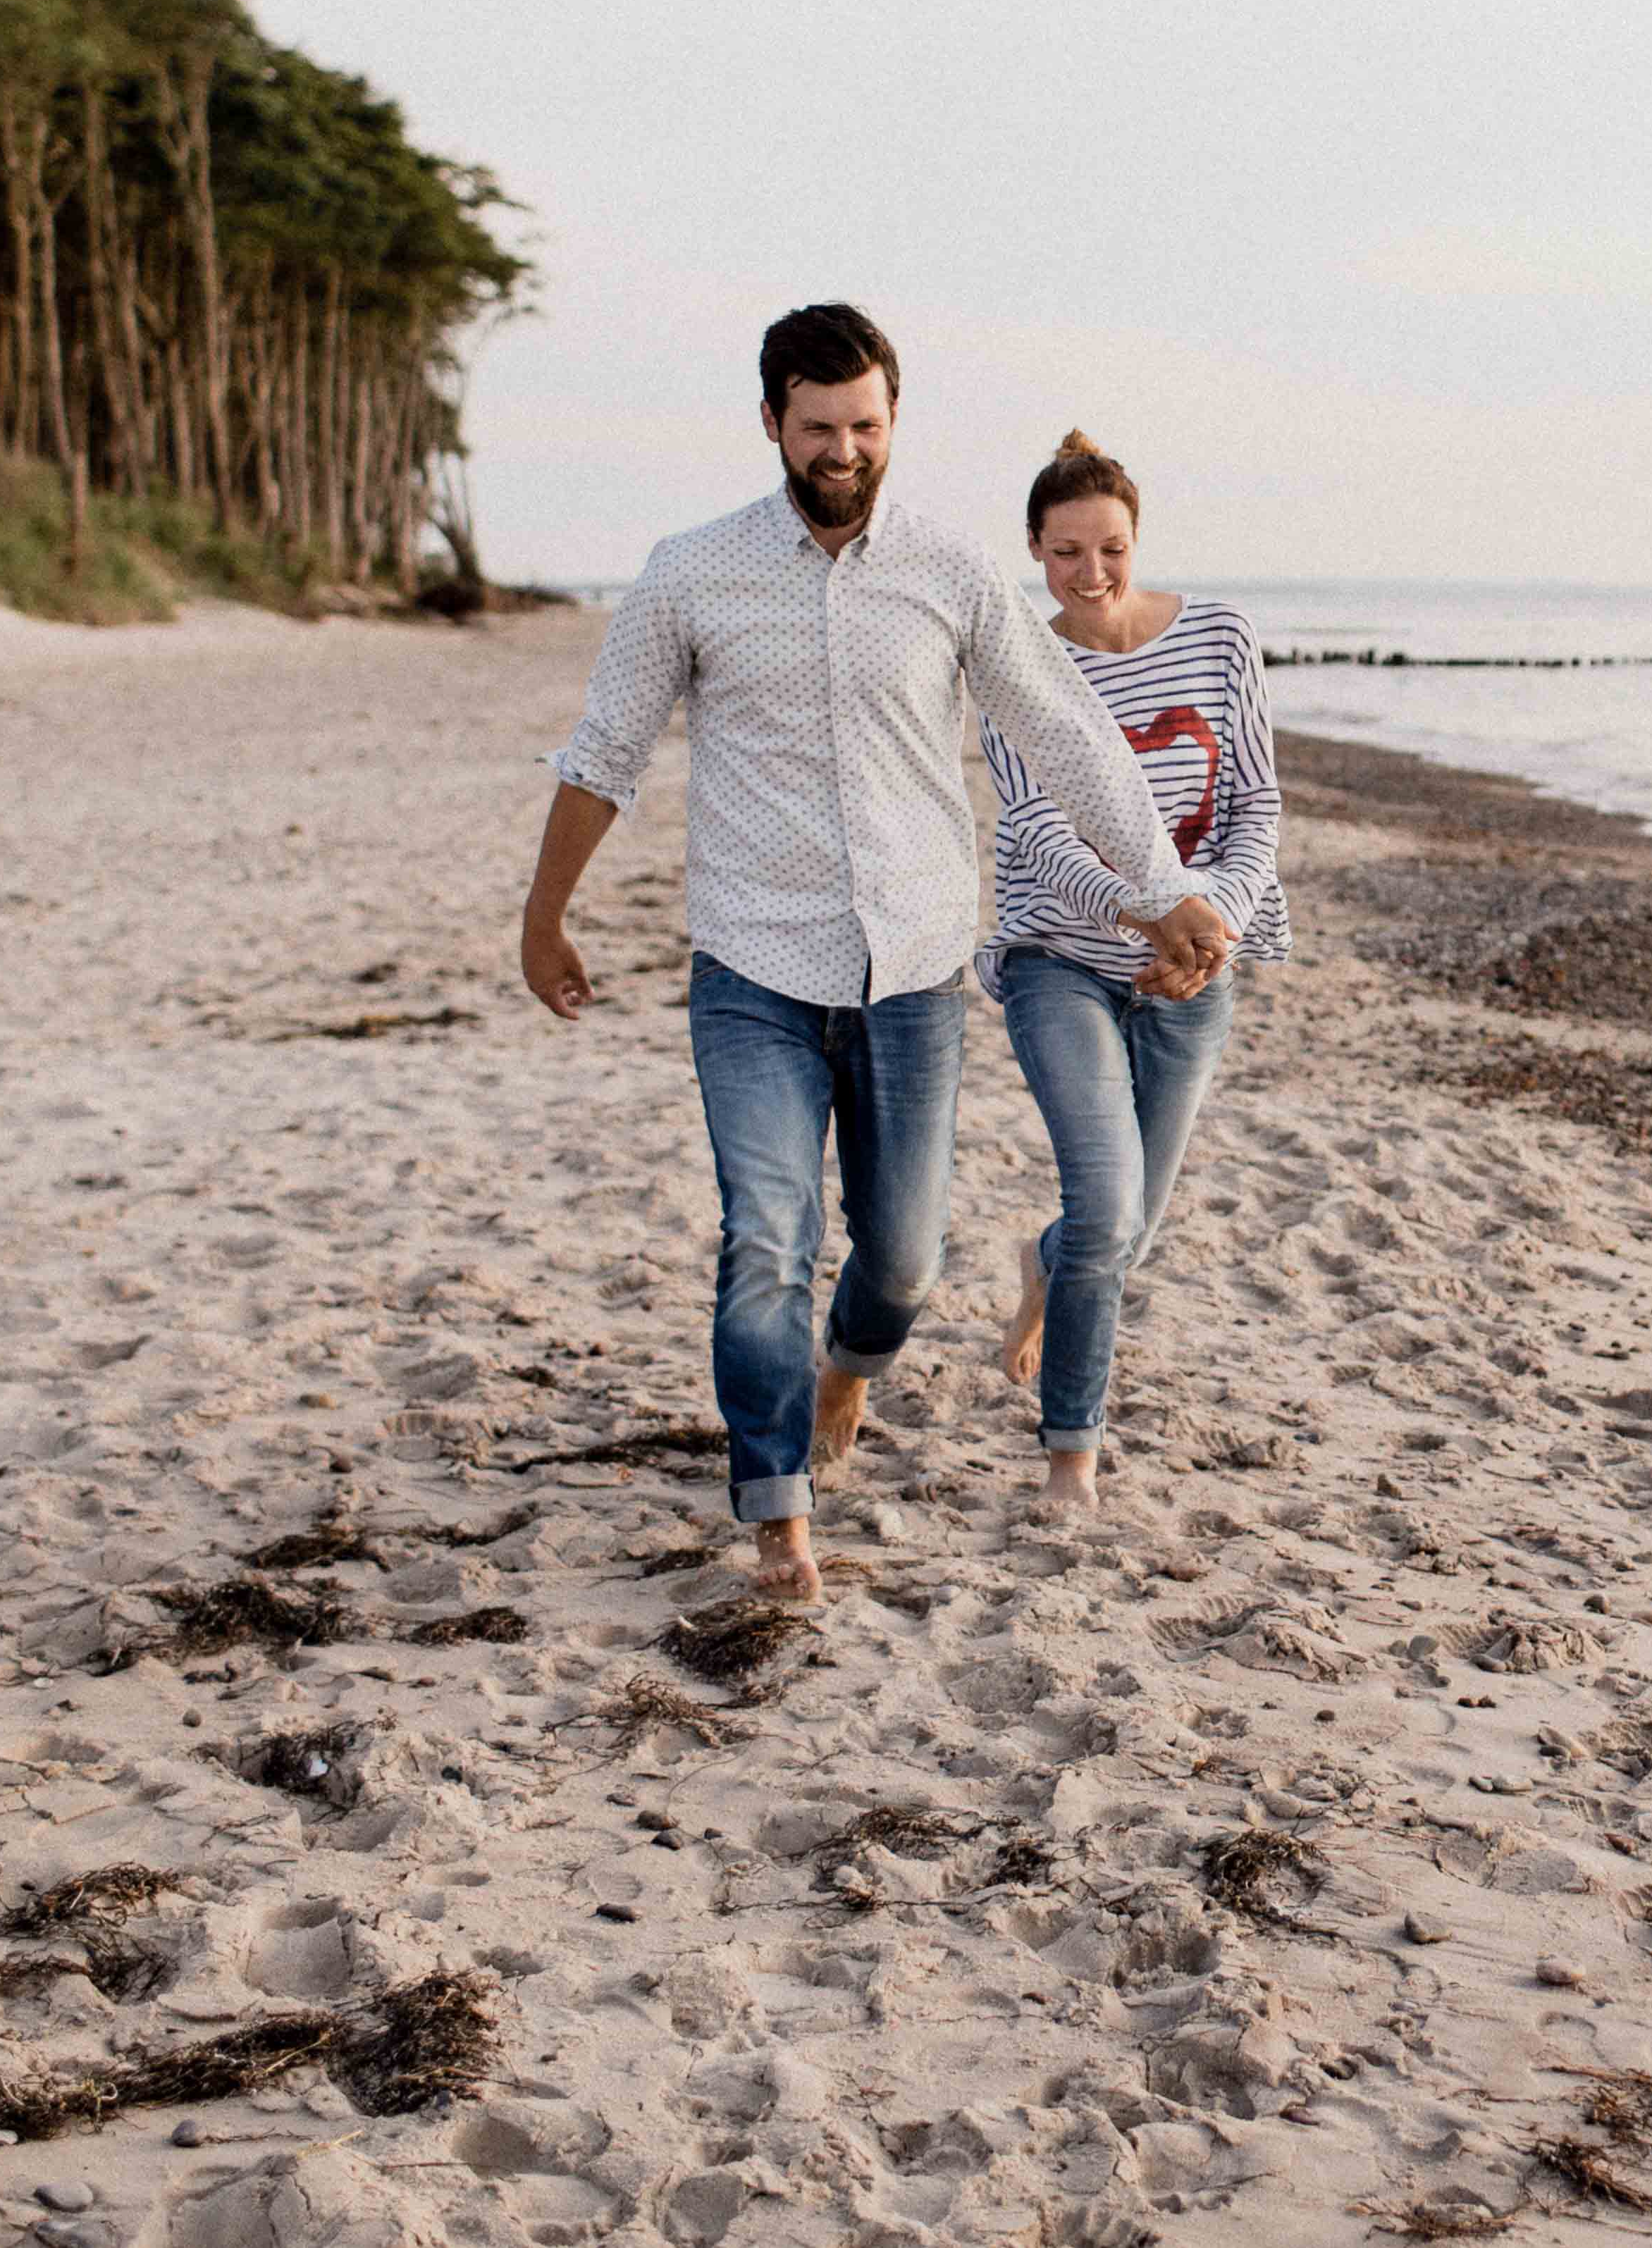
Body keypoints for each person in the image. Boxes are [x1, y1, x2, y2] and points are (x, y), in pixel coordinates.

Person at [517, 306, 1235, 1603]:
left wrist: (1162, 888)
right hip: (751, 970)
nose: (842, 449)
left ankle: (851, 1365)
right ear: (772, 425)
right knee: (765, 1240)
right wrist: (545, 911)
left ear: (893, 420)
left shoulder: (954, 572)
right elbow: (604, 751)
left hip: (911, 970)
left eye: (864, 425)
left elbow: (1068, 734)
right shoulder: (691, 572)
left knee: (902, 1259)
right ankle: (779, 1512)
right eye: (817, 426)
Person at [976, 432, 1290, 1514]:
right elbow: (1037, 832)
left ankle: (1045, 1263)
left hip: (1200, 965)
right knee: (1108, 1207)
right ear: (1034, 549)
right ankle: (1073, 1454)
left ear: (1136, 536)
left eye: (1109, 547)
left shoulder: (1219, 635)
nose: (1092, 573)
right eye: (1066, 552)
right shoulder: (1018, 656)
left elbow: (1256, 805)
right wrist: (1151, 912)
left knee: (1124, 1234)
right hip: (1060, 959)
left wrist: (1213, 930)